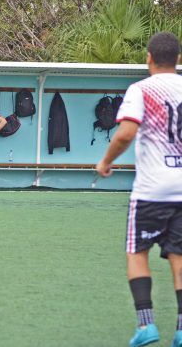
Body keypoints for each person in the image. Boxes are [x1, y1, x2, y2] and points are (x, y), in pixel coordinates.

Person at [96, 32, 182, 347]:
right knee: (179, 255)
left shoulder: (141, 90)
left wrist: (105, 161)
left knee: (137, 252)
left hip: (152, 190)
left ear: (148, 57)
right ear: (178, 59)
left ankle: (146, 325)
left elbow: (126, 133)